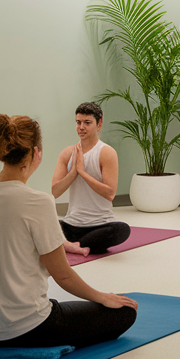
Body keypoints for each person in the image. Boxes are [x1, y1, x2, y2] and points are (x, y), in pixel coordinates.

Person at [0, 114, 137, 350]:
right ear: (36, 153)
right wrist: (103, 297)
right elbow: (63, 276)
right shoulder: (39, 202)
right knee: (124, 313)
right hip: (25, 328)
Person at [51, 102, 129, 257]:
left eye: (87, 123)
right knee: (46, 223)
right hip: (71, 224)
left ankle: (69, 245)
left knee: (122, 230)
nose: (81, 127)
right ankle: (76, 244)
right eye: (78, 122)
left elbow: (110, 193)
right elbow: (55, 191)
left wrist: (83, 172)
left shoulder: (107, 153)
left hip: (100, 225)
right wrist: (73, 172)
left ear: (99, 123)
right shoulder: (67, 153)